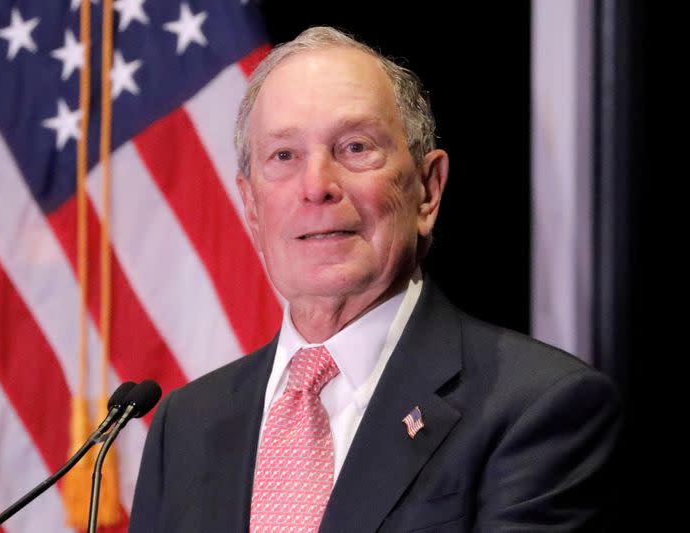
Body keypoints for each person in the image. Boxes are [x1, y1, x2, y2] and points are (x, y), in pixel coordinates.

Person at [129, 26, 622, 532]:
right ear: (252, 207)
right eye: (284, 156)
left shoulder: (539, 408)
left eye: (356, 147)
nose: (317, 186)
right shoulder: (184, 426)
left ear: (427, 192)